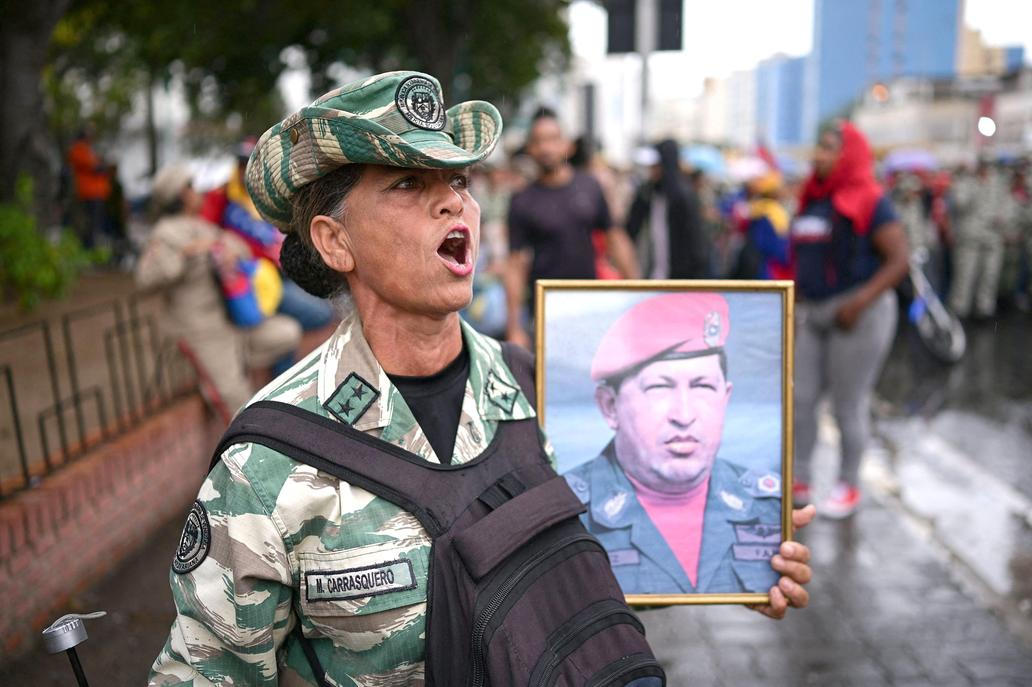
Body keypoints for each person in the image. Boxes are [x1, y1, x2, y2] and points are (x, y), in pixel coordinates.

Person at [149, 71, 814, 686]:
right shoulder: (263, 464)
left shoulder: (543, 392)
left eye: (460, 179)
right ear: (334, 241)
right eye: (409, 184)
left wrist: (738, 567)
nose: (454, 203)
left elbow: (594, 575)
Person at [564, 293, 810, 597]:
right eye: (659, 388)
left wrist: (771, 578)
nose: (684, 415)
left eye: (703, 387)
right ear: (610, 407)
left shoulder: (768, 504)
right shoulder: (565, 512)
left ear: (725, 398)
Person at [791, 122, 909, 518]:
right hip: (816, 311)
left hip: (858, 312)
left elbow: (898, 261)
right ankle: (800, 477)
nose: (819, 155)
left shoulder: (873, 199)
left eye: (828, 148)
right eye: (819, 147)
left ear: (849, 153)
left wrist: (859, 302)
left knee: (847, 404)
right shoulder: (812, 198)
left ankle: (848, 483)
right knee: (801, 398)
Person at [134, 164, 301, 413]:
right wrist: (185, 254)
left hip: (234, 320)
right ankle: (249, 444)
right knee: (235, 397)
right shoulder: (165, 233)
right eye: (191, 186)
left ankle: (234, 370)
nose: (198, 191)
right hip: (203, 329)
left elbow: (240, 249)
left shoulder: (201, 225)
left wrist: (229, 253)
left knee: (287, 333)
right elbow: (146, 278)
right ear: (181, 194)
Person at [504, 107, 639, 347]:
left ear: (567, 145)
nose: (546, 148)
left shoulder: (590, 187)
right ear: (530, 149)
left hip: (588, 302)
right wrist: (514, 327)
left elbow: (615, 239)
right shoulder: (522, 200)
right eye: (538, 141)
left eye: (553, 139)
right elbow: (515, 263)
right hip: (545, 309)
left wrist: (636, 293)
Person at [202, 138, 336, 336]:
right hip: (257, 278)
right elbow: (205, 230)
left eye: (250, 165)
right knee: (321, 314)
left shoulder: (267, 194)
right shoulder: (222, 197)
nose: (244, 171)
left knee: (330, 301)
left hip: (283, 269)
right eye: (240, 165)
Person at [625, 139, 709, 279]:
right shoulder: (648, 193)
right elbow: (631, 228)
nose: (651, 170)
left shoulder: (684, 195)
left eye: (655, 165)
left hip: (680, 280)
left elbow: (696, 244)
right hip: (653, 277)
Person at [947, 161, 1014, 319]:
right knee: (965, 274)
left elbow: (1007, 204)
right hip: (970, 236)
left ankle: (984, 308)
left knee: (990, 274)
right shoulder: (965, 182)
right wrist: (975, 186)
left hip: (992, 236)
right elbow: (959, 203)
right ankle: (960, 308)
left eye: (989, 165)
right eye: (984, 165)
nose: (986, 169)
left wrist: (1003, 219)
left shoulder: (999, 183)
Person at [67, 124, 111, 249]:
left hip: (96, 193)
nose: (92, 136)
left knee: (96, 223)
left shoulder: (87, 149)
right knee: (91, 223)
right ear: (84, 135)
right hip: (90, 193)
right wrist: (103, 166)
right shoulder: (79, 149)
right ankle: (89, 248)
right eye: (90, 133)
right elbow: (94, 167)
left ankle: (93, 247)